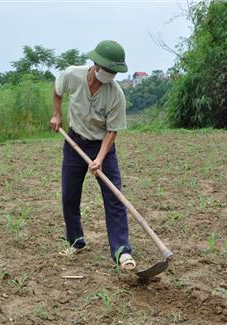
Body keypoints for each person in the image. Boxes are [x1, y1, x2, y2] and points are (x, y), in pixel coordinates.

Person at [50, 40, 135, 270]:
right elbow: (57, 90)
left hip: (102, 147)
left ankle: (122, 251)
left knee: (114, 196)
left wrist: (99, 158)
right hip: (75, 142)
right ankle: (76, 242)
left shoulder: (116, 95)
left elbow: (112, 131)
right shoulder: (72, 75)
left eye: (115, 72)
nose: (111, 75)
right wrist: (57, 115)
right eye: (108, 70)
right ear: (96, 63)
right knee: (69, 195)